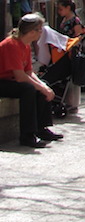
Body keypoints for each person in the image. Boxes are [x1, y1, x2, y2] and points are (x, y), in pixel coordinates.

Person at [0, 13, 63, 148]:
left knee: (41, 87)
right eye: (39, 29)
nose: (41, 32)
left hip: (12, 80)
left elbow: (29, 72)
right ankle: (27, 135)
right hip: (3, 81)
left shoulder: (26, 45)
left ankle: (42, 128)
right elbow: (20, 76)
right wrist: (41, 88)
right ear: (31, 31)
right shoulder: (11, 44)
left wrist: (44, 86)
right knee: (29, 89)